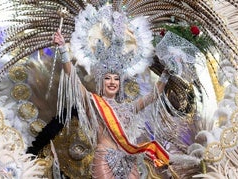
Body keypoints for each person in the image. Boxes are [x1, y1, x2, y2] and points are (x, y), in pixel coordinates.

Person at [53, 27, 171, 178]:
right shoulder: (93, 102)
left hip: (128, 161)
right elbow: (73, 80)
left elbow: (154, 95)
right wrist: (63, 48)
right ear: (101, 82)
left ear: (120, 83)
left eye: (116, 79)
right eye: (108, 78)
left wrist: (168, 72)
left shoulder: (129, 107)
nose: (112, 82)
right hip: (104, 159)